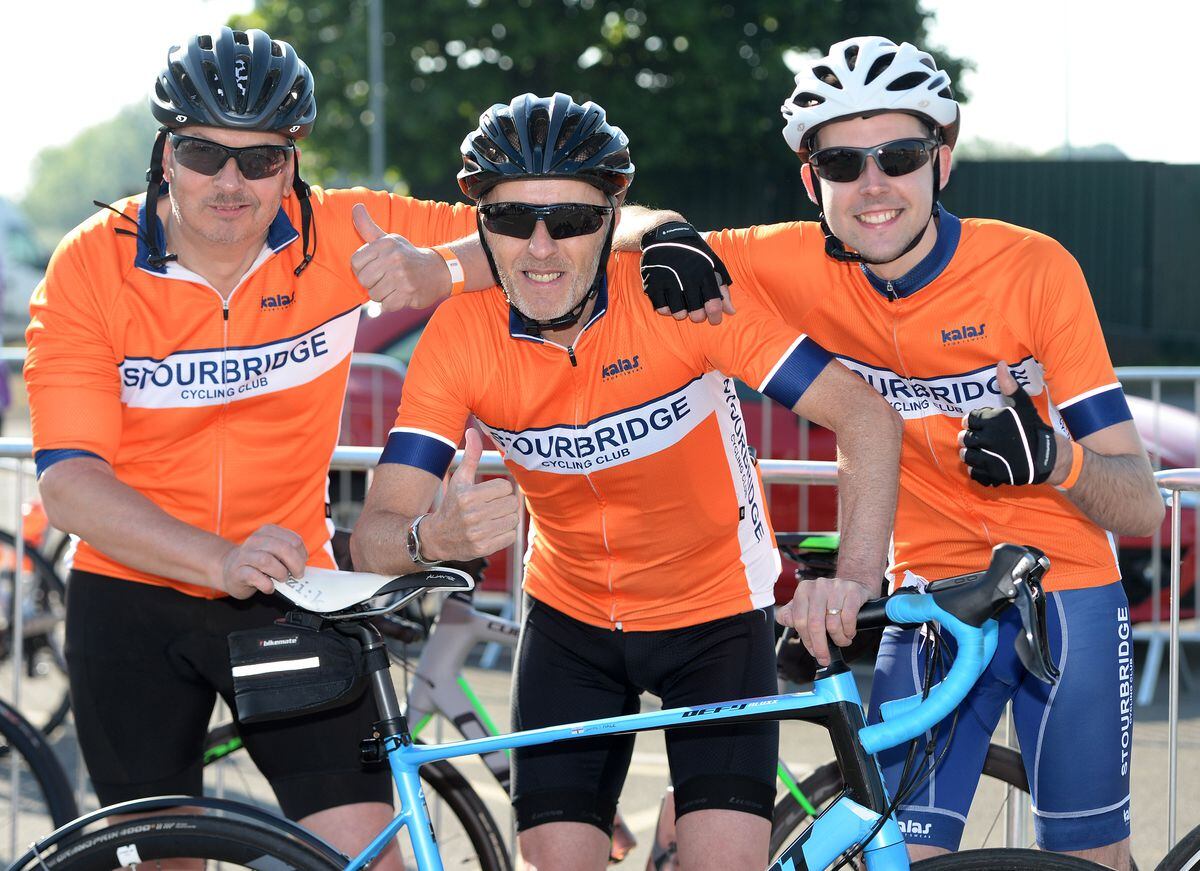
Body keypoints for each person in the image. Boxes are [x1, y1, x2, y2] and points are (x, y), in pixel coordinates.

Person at [630, 36, 1163, 871]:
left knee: (1090, 858)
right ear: (814, 183)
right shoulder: (790, 262)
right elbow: (597, 235)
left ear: (942, 162)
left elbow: (1142, 503)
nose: (872, 184)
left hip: (1063, 589)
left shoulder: (1032, 269)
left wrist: (1056, 458)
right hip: (930, 597)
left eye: (900, 155)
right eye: (843, 163)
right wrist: (661, 229)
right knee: (895, 855)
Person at [350, 91, 903, 871]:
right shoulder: (458, 337)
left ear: (610, 221)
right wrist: (431, 537)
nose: (541, 249)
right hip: (571, 622)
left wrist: (853, 580)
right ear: (482, 227)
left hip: (714, 615)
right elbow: (375, 537)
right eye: (512, 221)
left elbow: (868, 419)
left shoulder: (676, 296)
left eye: (572, 221)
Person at [22, 25, 510, 868]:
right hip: (131, 599)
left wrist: (446, 268)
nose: (230, 181)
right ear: (165, 153)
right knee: (170, 859)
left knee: (367, 856)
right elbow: (69, 482)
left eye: (260, 159)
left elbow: (560, 234)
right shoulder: (89, 269)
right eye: (205, 152)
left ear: (294, 161)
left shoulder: (344, 232)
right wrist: (216, 559)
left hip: (290, 588)